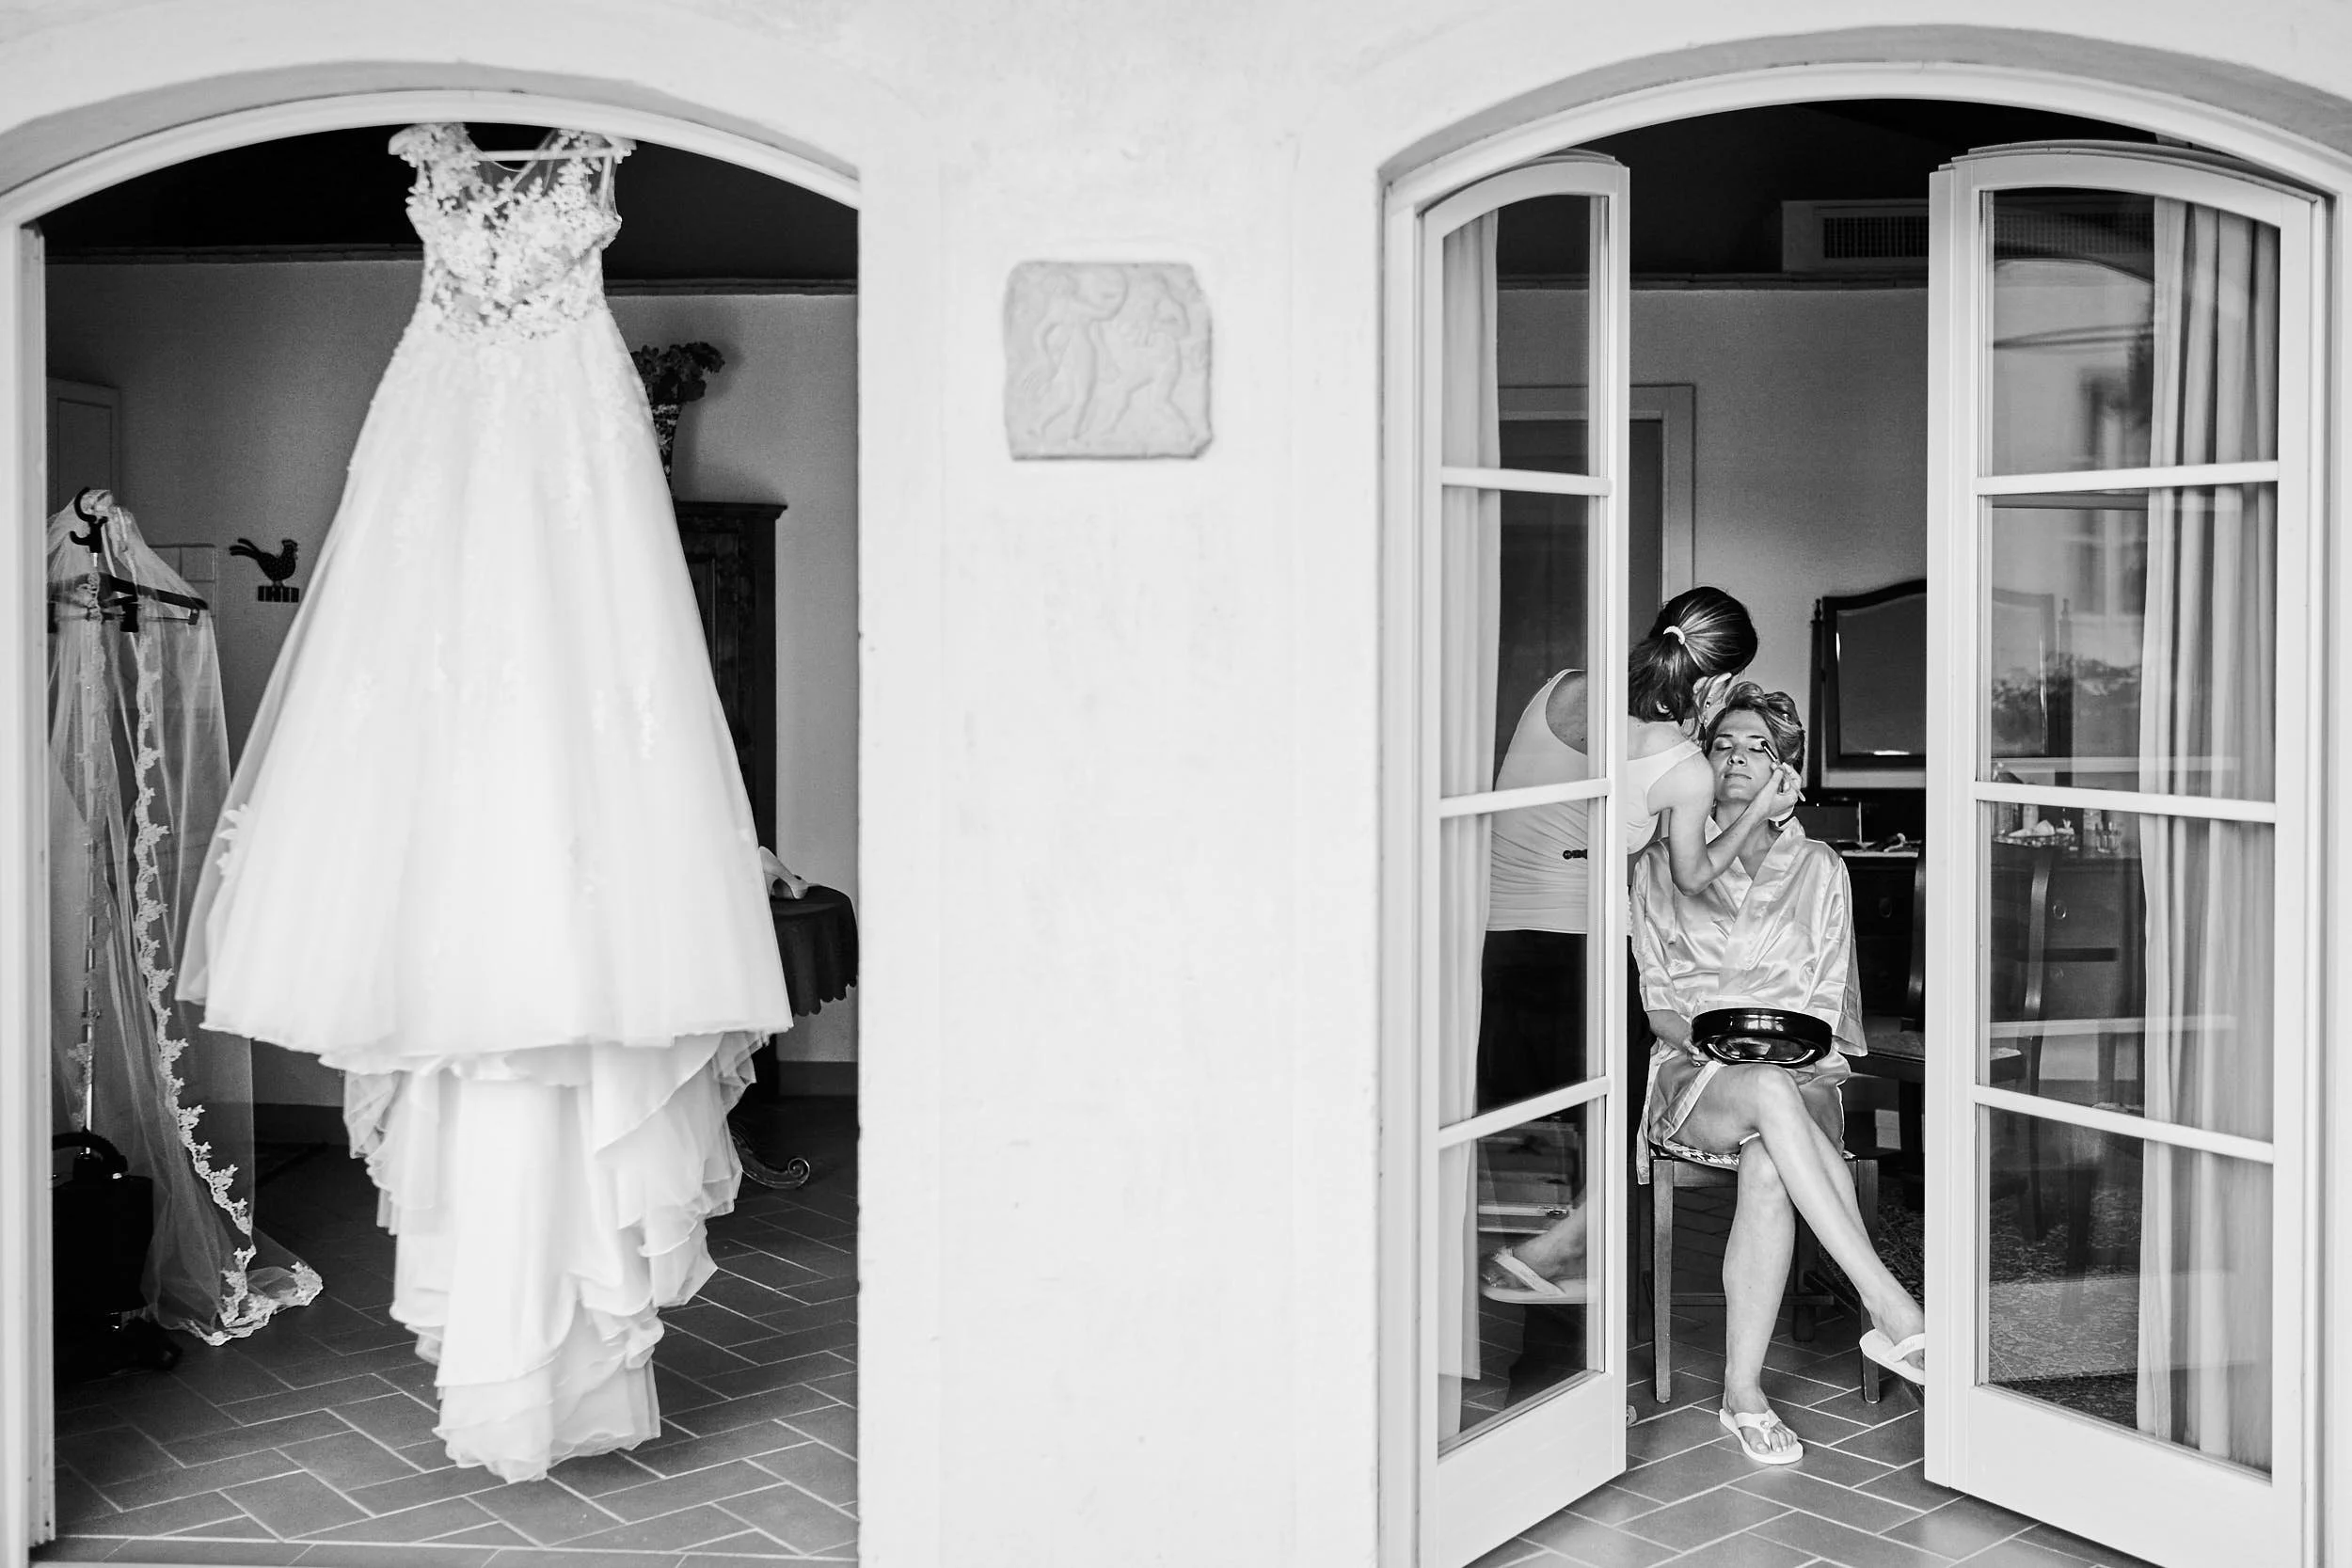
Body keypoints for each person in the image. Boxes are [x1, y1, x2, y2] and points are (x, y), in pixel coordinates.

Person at [181, 124, 793, 1481]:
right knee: (485, 956)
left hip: (567, 511)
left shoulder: (537, 178)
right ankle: (519, 1352)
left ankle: (540, 1360)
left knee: (552, 903)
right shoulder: (469, 179)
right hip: (460, 508)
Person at [1630, 684, 1927, 1465]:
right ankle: (1888, 1303)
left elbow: (1827, 1004)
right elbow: (1660, 1007)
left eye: (1755, 746)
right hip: (1696, 1077)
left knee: (1771, 1156)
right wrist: (1727, 1051)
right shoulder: (1660, 861)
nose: (1734, 755)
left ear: (1784, 769)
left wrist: (1780, 1059)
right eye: (1721, 743)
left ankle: (1743, 1395)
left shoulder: (1822, 866)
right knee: (1760, 1090)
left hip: (1804, 1078)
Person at [1479, 587, 1796, 1306]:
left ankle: (1537, 1311)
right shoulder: (1681, 762)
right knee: (1602, 1147)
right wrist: (1762, 807)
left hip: (1500, 948)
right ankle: (1544, 1283)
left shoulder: (1559, 690)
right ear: (1718, 679)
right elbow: (1693, 875)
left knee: (1537, 1144)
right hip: (1584, 959)